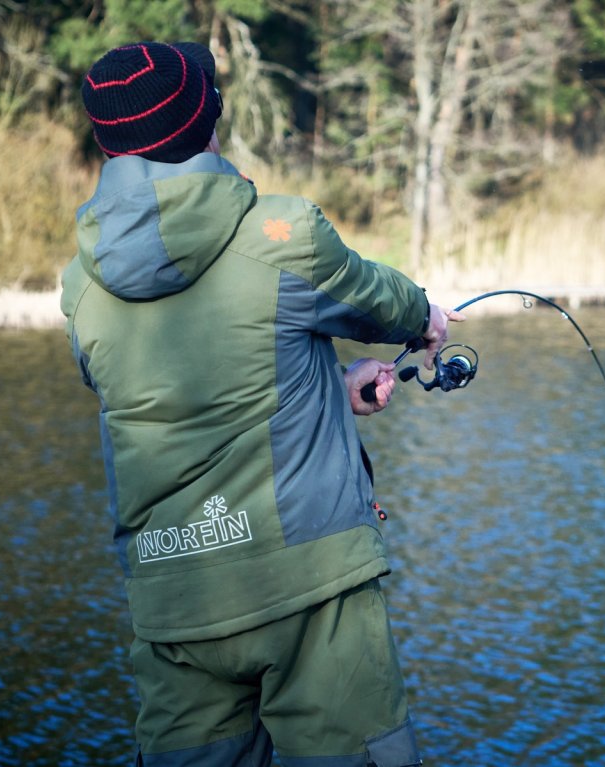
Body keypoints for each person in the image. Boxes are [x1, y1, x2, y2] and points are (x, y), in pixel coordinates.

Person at [60, 40, 463, 767]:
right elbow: (381, 304)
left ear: (108, 145)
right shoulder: (283, 235)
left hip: (174, 605)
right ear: (207, 118)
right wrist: (427, 318)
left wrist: (325, 394)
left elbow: (175, 399)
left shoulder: (81, 289)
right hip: (309, 592)